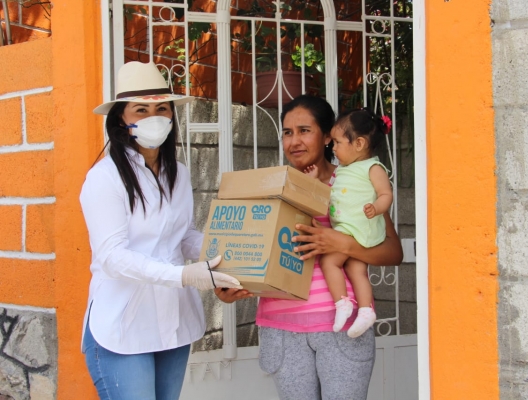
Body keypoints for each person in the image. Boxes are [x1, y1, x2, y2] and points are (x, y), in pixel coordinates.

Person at [215, 95, 403, 400]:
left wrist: (340, 242)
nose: (294, 141)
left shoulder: (352, 184)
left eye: (304, 130)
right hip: (281, 329)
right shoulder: (268, 188)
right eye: (287, 133)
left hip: (341, 327)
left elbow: (393, 252)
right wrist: (229, 285)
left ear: (328, 136)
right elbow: (246, 249)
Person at [80, 61, 242, 400]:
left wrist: (230, 259)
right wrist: (184, 276)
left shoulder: (178, 173)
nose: (154, 116)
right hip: (122, 324)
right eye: (141, 109)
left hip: (172, 321)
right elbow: (112, 257)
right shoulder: (104, 177)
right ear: (121, 120)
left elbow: (182, 236)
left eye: (161, 108)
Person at [304, 108, 393, 338]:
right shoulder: (342, 170)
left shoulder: (372, 168)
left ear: (360, 143)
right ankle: (365, 310)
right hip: (346, 228)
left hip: (359, 227)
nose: (332, 148)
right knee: (356, 269)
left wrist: (377, 208)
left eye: (337, 142)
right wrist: (314, 182)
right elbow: (330, 192)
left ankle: (342, 303)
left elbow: (386, 194)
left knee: (330, 263)